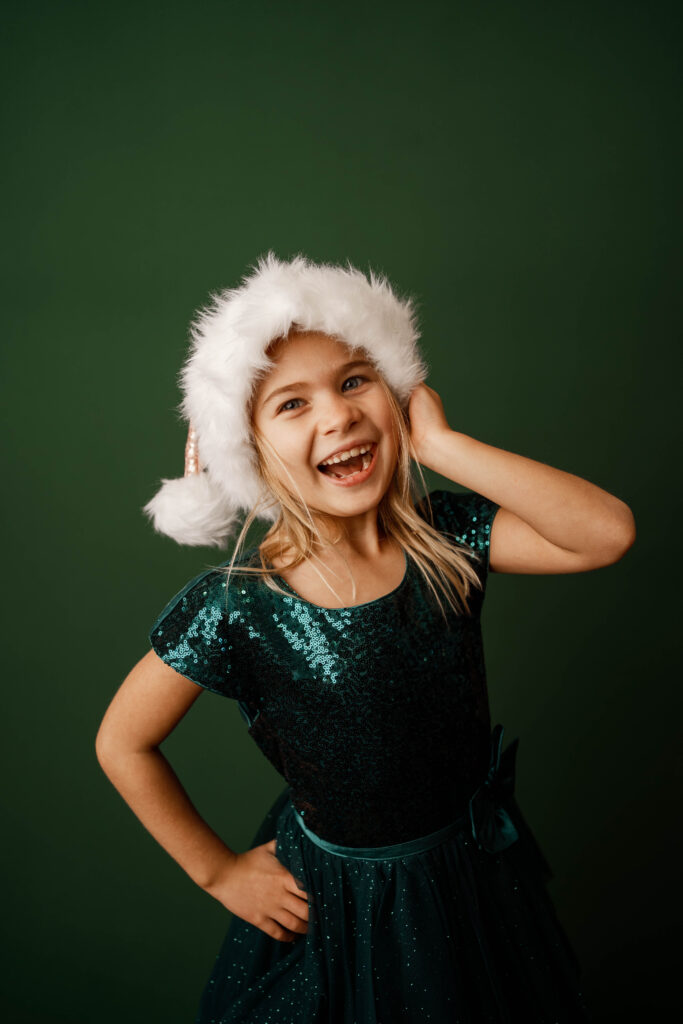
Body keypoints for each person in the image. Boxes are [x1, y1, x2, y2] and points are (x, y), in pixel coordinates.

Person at [95, 252, 634, 1022]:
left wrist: (444, 448)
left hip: (471, 876)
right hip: (347, 903)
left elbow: (604, 535)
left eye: (355, 380)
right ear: (245, 451)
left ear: (398, 393)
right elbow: (122, 743)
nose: (337, 415)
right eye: (291, 404)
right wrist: (217, 872)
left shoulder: (447, 539)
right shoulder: (235, 607)